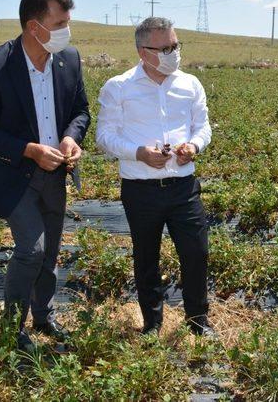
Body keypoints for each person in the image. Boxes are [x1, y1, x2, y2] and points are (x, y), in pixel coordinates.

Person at [0, 0, 91, 352]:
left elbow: (81, 111)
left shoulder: (69, 59)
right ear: (34, 27)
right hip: (13, 175)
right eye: (60, 22)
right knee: (32, 249)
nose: (68, 31)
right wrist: (29, 150)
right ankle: (12, 328)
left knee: (51, 250)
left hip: (56, 173)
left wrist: (71, 138)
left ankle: (43, 314)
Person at [96, 17, 214, 337]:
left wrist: (194, 145)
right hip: (140, 189)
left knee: (196, 252)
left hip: (183, 186)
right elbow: (104, 136)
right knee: (146, 256)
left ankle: (197, 321)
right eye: (164, 48)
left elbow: (203, 127)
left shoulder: (190, 84)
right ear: (142, 51)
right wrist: (139, 152)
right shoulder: (119, 87)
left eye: (175, 46)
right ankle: (152, 323)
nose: (172, 53)